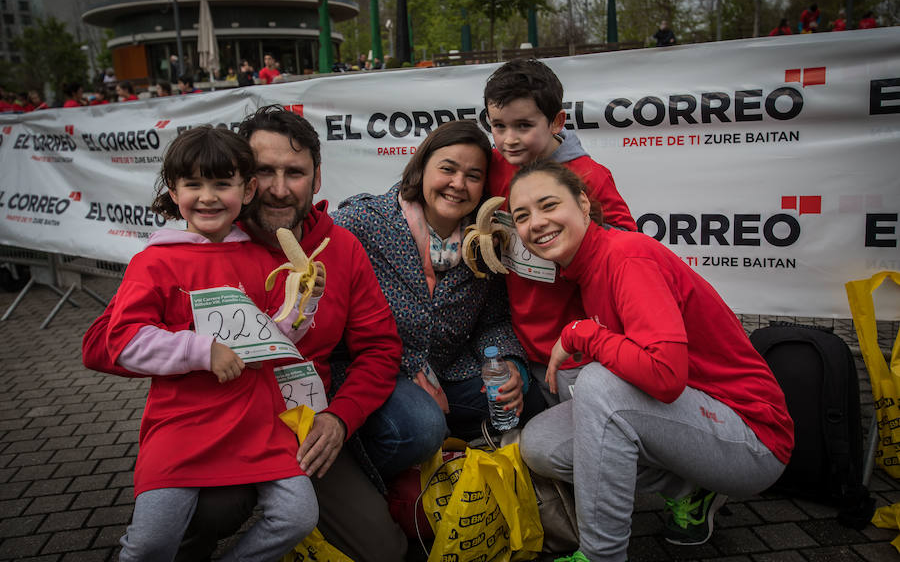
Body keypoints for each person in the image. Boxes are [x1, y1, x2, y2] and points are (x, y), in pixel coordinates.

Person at [82, 105, 436, 562]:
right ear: (245, 177)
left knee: (382, 548)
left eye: (295, 172)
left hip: (299, 421)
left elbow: (380, 348)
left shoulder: (340, 247)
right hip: (212, 420)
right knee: (211, 509)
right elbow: (102, 344)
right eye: (264, 171)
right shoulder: (199, 245)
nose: (278, 188)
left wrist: (340, 418)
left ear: (317, 178)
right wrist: (201, 344)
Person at [507, 161, 793, 562]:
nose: (536, 222)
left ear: (584, 204)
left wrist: (580, 333)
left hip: (754, 440)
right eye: (522, 216)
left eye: (548, 204)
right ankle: (691, 488)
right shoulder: (586, 268)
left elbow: (665, 376)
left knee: (597, 385)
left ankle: (601, 555)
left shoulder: (626, 256)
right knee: (541, 446)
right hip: (698, 423)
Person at [106, 126, 320, 561]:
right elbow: (123, 341)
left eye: (222, 183)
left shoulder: (261, 257)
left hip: (259, 423)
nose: (208, 196)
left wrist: (304, 304)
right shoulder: (154, 261)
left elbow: (275, 340)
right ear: (173, 190)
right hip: (182, 427)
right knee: (150, 545)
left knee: (298, 516)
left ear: (247, 188)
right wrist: (202, 351)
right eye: (194, 184)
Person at [331, 120, 545, 441]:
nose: (458, 184)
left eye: (473, 176)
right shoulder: (363, 222)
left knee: (527, 399)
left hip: (447, 374)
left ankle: (444, 445)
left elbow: (493, 321)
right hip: (373, 375)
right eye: (448, 169)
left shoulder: (483, 239)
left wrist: (509, 366)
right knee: (422, 426)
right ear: (421, 168)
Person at [483, 57, 635, 403]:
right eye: (499, 126)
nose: (509, 140)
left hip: (577, 350)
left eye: (523, 125)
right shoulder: (494, 165)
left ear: (556, 121)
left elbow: (630, 250)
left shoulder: (590, 177)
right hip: (521, 342)